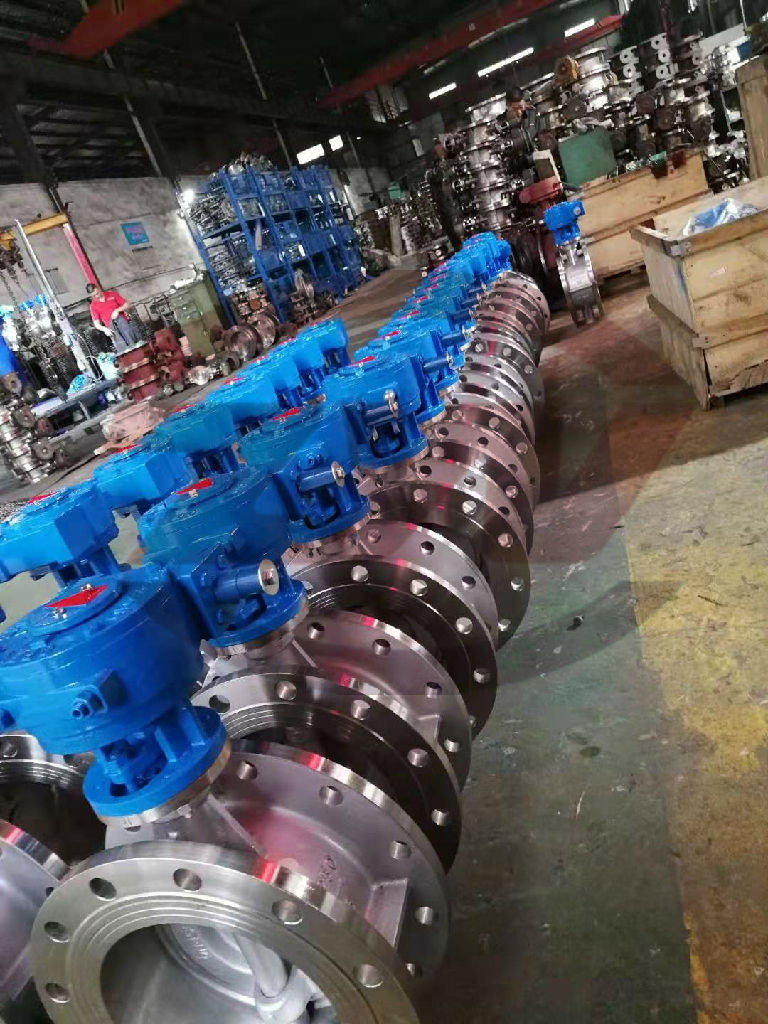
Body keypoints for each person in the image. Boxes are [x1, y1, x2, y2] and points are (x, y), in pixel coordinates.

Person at [426, 138, 463, 253]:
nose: (439, 150)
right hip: (444, 203)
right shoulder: (434, 169)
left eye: (439, 147)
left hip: (457, 200)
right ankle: (458, 247)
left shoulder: (452, 160)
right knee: (450, 226)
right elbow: (430, 178)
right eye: (436, 148)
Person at [87, 283, 141, 352]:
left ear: (99, 288)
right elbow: (96, 324)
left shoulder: (112, 294)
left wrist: (117, 310)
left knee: (135, 345)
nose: (96, 296)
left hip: (125, 326)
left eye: (97, 293)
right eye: (94, 295)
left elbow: (127, 305)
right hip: (112, 330)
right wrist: (104, 329)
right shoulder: (93, 306)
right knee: (124, 351)